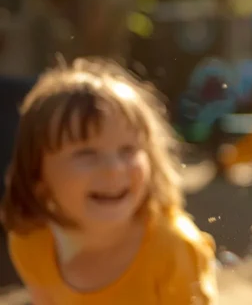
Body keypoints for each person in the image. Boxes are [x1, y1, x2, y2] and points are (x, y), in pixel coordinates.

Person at [1, 58, 217, 303]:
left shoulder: (174, 249)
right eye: (86, 153)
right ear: (37, 177)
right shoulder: (30, 240)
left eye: (128, 150)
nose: (114, 169)